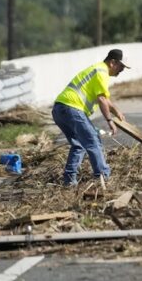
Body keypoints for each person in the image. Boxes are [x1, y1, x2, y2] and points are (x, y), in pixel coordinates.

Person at [51, 49, 128, 186]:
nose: (122, 70)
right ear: (112, 63)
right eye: (121, 66)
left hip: (59, 109)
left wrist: (116, 111)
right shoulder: (102, 73)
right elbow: (102, 99)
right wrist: (109, 120)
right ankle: (102, 177)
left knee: (79, 144)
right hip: (72, 109)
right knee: (93, 140)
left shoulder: (97, 70)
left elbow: (105, 99)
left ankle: (69, 180)